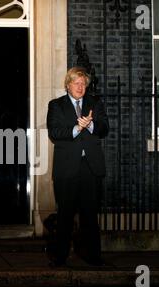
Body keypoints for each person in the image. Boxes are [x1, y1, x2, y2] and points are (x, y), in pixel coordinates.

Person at [46, 66, 109, 267]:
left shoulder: (95, 103)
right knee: (65, 214)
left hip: (90, 167)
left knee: (90, 214)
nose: (80, 87)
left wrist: (90, 125)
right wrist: (76, 128)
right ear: (68, 85)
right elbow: (54, 132)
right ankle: (60, 257)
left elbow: (104, 128)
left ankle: (93, 255)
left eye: (83, 84)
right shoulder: (56, 105)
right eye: (76, 83)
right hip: (66, 168)